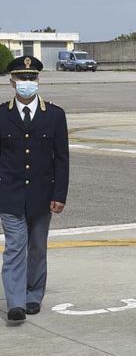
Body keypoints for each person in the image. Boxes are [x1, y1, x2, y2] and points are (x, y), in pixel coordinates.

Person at [0, 56, 69, 324]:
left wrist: (59, 195)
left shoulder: (54, 115)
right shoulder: (1, 114)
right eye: (22, 78)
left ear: (38, 81)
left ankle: (33, 294)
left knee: (38, 247)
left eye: (31, 78)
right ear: (11, 81)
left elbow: (61, 159)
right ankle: (15, 303)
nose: (27, 83)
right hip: (10, 194)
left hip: (43, 195)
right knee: (15, 246)